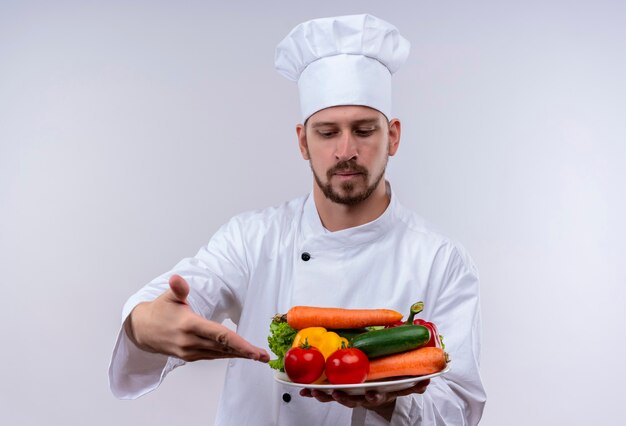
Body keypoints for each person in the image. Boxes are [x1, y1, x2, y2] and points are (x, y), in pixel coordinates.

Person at [109, 14, 486, 425]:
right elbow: (182, 293)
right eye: (327, 133)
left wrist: (387, 399)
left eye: (363, 130)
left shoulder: (442, 260)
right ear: (302, 141)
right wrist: (145, 324)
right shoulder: (252, 239)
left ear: (392, 136)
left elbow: (458, 411)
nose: (345, 150)